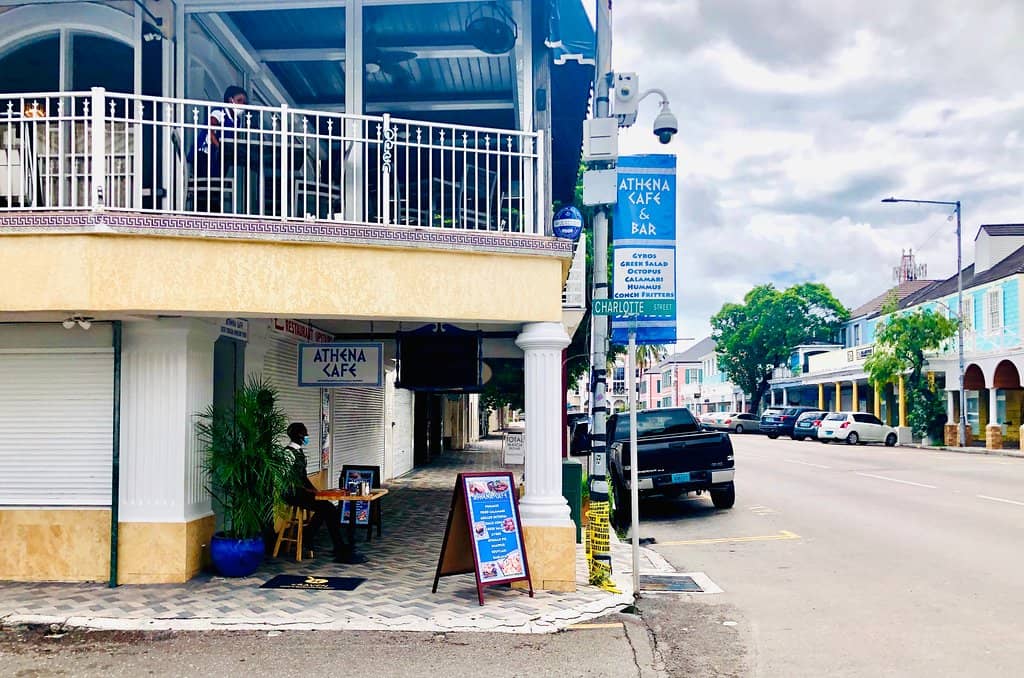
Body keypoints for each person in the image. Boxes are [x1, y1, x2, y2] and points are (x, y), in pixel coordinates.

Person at [283, 422, 364, 564]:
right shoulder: (288, 453)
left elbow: (303, 477)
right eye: (305, 433)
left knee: (327, 507)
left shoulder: (299, 452)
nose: (307, 436)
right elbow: (287, 479)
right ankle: (335, 545)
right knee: (328, 508)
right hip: (293, 494)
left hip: (302, 491)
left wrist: (315, 491)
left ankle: (312, 535)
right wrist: (308, 490)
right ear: (299, 435)